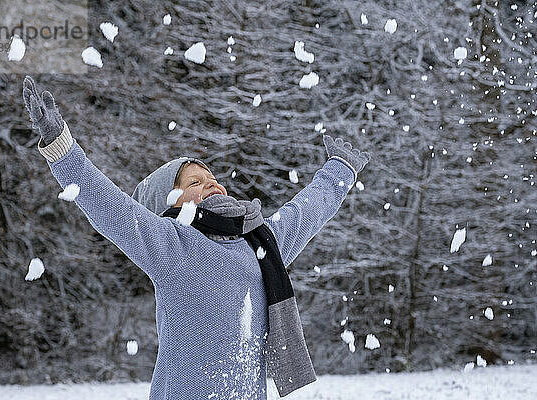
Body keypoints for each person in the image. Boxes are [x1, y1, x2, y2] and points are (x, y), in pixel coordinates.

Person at [22, 75, 370, 399]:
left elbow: (303, 214)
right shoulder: (171, 245)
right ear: (168, 204)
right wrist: (62, 147)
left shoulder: (260, 242)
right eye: (194, 183)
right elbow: (107, 205)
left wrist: (337, 173)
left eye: (212, 178)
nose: (212, 184)